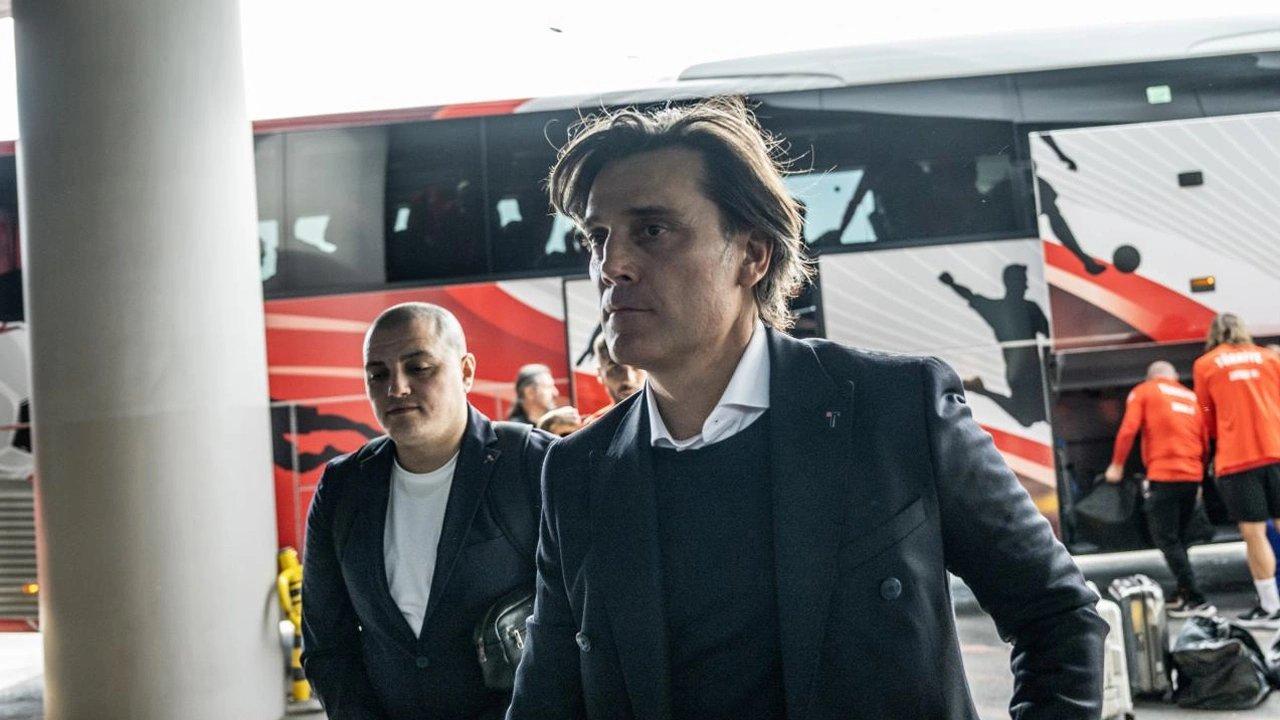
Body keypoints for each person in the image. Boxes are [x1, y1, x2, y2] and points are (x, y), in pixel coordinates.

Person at [507, 98, 1105, 720]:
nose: (611, 266)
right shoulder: (577, 472)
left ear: (753, 255)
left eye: (652, 231)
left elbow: (1057, 615)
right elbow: (547, 699)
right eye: (597, 238)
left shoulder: (894, 409)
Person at [302, 303, 554, 719]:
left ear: (466, 371)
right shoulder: (343, 487)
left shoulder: (532, 462)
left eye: (418, 368)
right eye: (377, 374)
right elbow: (326, 645)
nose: (396, 387)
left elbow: (580, 627)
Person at [1104, 361, 1214, 616]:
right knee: (1180, 539)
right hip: (1192, 476)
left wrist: (1116, 465)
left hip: (1164, 475)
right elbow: (1205, 438)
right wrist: (1199, 475)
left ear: (1150, 376)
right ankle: (1184, 592)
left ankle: (1196, 598)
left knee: (1166, 538)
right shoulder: (1192, 397)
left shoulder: (1144, 391)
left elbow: (1128, 429)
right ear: (1173, 376)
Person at [1194, 313, 1280, 627]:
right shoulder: (1270, 358)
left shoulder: (1206, 365)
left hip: (1238, 458)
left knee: (1254, 533)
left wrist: (1216, 431)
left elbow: (1205, 410)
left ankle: (1271, 607)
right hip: (1277, 450)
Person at [582, 332, 646, 425]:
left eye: (636, 365)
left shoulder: (666, 417)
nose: (629, 378)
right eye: (616, 368)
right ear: (600, 374)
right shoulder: (595, 427)